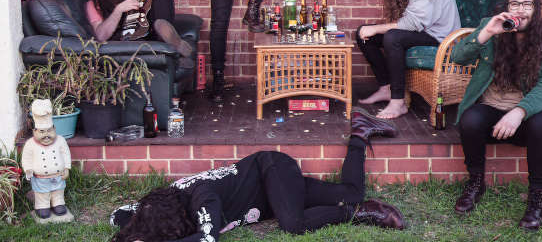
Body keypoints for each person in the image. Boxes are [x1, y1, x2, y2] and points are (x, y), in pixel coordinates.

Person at [110, 108, 404, 241]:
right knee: (351, 191)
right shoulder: (161, 204)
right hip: (275, 194)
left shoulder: (202, 199)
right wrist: (135, 235)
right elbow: (118, 215)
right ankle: (361, 131)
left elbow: (207, 239)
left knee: (293, 224)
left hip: (271, 170)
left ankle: (356, 214)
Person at [450, 0, 542, 230]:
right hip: (490, 110)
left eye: (527, 5)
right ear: (506, 7)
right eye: (515, 4)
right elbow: (458, 58)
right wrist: (486, 32)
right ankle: (476, 183)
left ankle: (536, 198)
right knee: (470, 119)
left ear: (536, 10)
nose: (520, 10)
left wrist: (518, 112)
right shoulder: (491, 28)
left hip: (523, 116)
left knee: (541, 124)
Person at [357, 0, 461, 119]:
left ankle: (398, 103)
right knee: (364, 35)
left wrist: (376, 28)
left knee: (393, 37)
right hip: (422, 30)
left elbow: (413, 23)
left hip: (439, 37)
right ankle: (386, 88)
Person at [86, 0, 193, 65]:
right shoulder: (94, 4)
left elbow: (146, 13)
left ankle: (168, 36)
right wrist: (119, 10)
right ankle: (175, 47)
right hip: (128, 39)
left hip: (148, 31)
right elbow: (100, 36)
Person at [22, 99, 72, 220]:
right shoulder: (30, 144)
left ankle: (58, 203)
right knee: (42, 194)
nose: (46, 135)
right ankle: (42, 206)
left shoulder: (60, 141)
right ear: (34, 131)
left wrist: (67, 168)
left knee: (58, 191)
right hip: (40, 179)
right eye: (42, 132)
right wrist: (28, 169)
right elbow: (26, 158)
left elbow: (66, 155)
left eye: (49, 131)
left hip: (58, 176)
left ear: (54, 129)